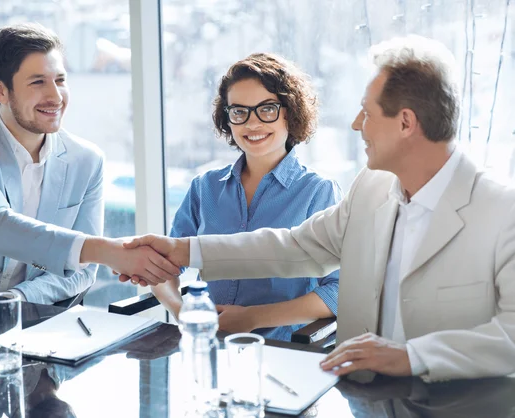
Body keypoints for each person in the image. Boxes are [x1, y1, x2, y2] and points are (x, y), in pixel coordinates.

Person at [122, 35, 515, 381]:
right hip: (362, 395)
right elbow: (294, 248)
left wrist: (412, 357)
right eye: (239, 111)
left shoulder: (503, 211)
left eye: (368, 111)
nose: (356, 124)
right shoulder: (372, 189)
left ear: (406, 122)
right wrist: (184, 250)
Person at [0, 23, 178, 304]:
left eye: (60, 80)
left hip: (29, 317)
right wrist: (107, 251)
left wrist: (15, 300)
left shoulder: (86, 161)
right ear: (1, 91)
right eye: (38, 82)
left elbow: (80, 272)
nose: (55, 97)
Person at [152, 53, 341, 340]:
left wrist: (252, 318)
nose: (252, 124)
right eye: (239, 111)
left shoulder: (319, 192)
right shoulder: (205, 187)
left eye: (267, 109)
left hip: (285, 350)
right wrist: (183, 313)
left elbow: (339, 290)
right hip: (208, 342)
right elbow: (163, 265)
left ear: (290, 111)